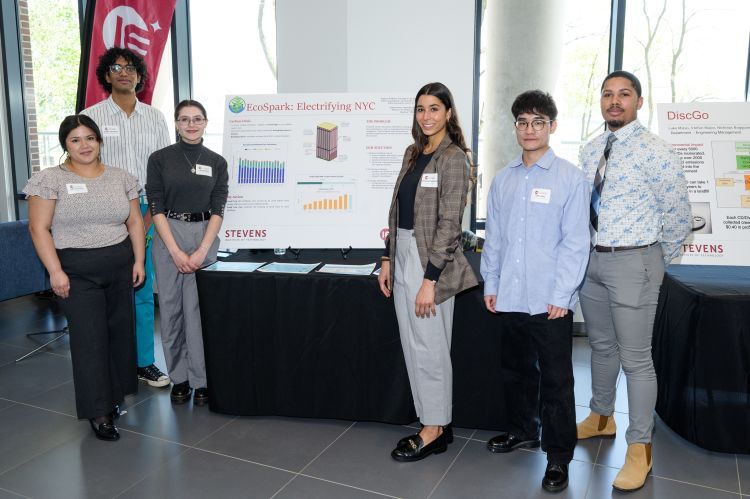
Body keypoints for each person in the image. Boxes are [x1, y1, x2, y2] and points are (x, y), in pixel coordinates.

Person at [576, 71, 691, 492]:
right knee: (601, 346)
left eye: (624, 94)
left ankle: (640, 447)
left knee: (636, 358)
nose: (615, 101)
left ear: (639, 102)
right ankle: (600, 416)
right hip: (592, 263)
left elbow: (678, 212)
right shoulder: (590, 151)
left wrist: (657, 261)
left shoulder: (656, 151)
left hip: (635, 263)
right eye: (608, 94)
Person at [480, 90, 590, 492]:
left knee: (557, 382)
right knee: (516, 372)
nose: (530, 129)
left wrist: (563, 296)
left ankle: (558, 457)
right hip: (509, 294)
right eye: (523, 122)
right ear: (515, 128)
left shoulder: (570, 178)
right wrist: (491, 283)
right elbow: (495, 239)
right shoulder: (503, 179)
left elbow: (577, 242)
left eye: (538, 122)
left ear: (553, 127)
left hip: (550, 301)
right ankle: (522, 430)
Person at [24, 115, 145, 441]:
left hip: (120, 265)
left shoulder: (121, 177)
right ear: (65, 144)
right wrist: (55, 271)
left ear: (100, 141)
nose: (85, 145)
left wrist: (140, 261)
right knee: (89, 340)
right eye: (76, 139)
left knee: (119, 334)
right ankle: (98, 411)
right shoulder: (49, 179)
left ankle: (114, 395)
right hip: (76, 271)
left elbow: (135, 222)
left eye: (90, 138)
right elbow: (38, 228)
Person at [378, 82, 478, 462]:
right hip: (402, 251)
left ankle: (434, 429)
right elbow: (396, 209)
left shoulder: (454, 158)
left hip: (429, 261)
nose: (426, 116)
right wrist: (387, 259)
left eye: (434, 108)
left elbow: (450, 224)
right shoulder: (413, 152)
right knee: (412, 344)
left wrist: (429, 280)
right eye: (421, 109)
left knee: (431, 347)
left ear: (448, 113)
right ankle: (431, 419)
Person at [81, 47, 172, 388]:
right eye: (116, 67)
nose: (124, 72)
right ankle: (112, 361)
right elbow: (84, 166)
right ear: (106, 75)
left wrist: (150, 217)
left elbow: (162, 169)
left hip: (147, 210)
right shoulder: (91, 116)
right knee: (107, 289)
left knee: (143, 286)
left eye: (130, 67)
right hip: (107, 211)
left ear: (139, 76)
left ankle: (145, 362)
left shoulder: (155, 117)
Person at [146, 100, 228, 406]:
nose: (191, 124)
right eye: (184, 119)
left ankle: (202, 378)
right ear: (177, 124)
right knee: (170, 309)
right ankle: (179, 378)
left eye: (197, 119)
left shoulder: (217, 162)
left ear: (206, 123)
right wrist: (175, 251)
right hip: (169, 233)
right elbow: (155, 204)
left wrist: (202, 250)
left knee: (198, 310)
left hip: (204, 235)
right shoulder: (160, 159)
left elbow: (219, 207)